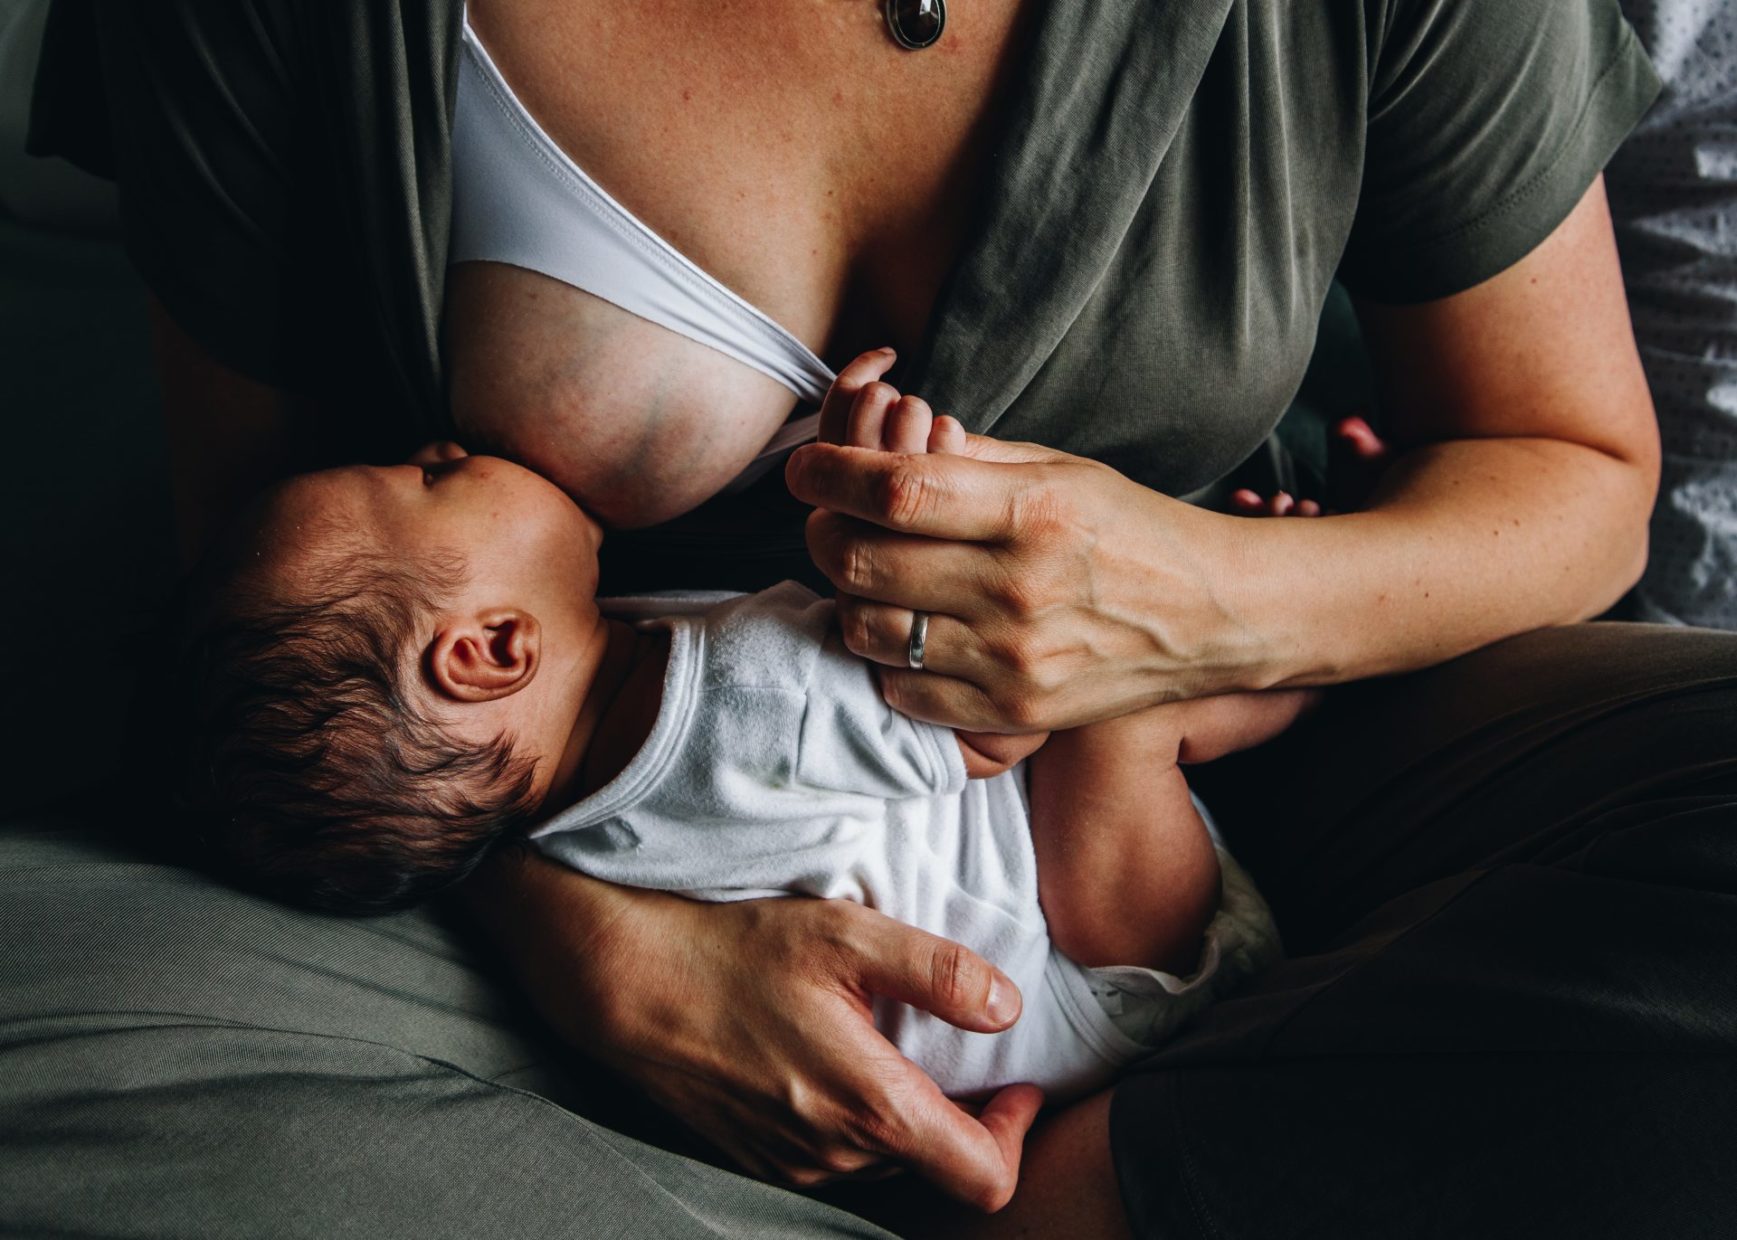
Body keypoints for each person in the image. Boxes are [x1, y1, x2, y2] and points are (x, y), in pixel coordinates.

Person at [28, 0, 1737, 1234]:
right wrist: (587, 940)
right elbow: (270, 635)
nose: (440, 458)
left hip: (1271, 739)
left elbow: (1572, 473)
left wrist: (1196, 604)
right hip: (501, 882)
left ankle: (1086, 1195)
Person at [174, 351, 1295, 1101]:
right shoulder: (742, 705)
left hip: (1015, 1052)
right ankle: (1303, 651)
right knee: (1120, 707)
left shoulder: (571, 807)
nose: (442, 444)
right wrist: (869, 489)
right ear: (492, 651)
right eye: (425, 478)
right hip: (1100, 968)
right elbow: (997, 720)